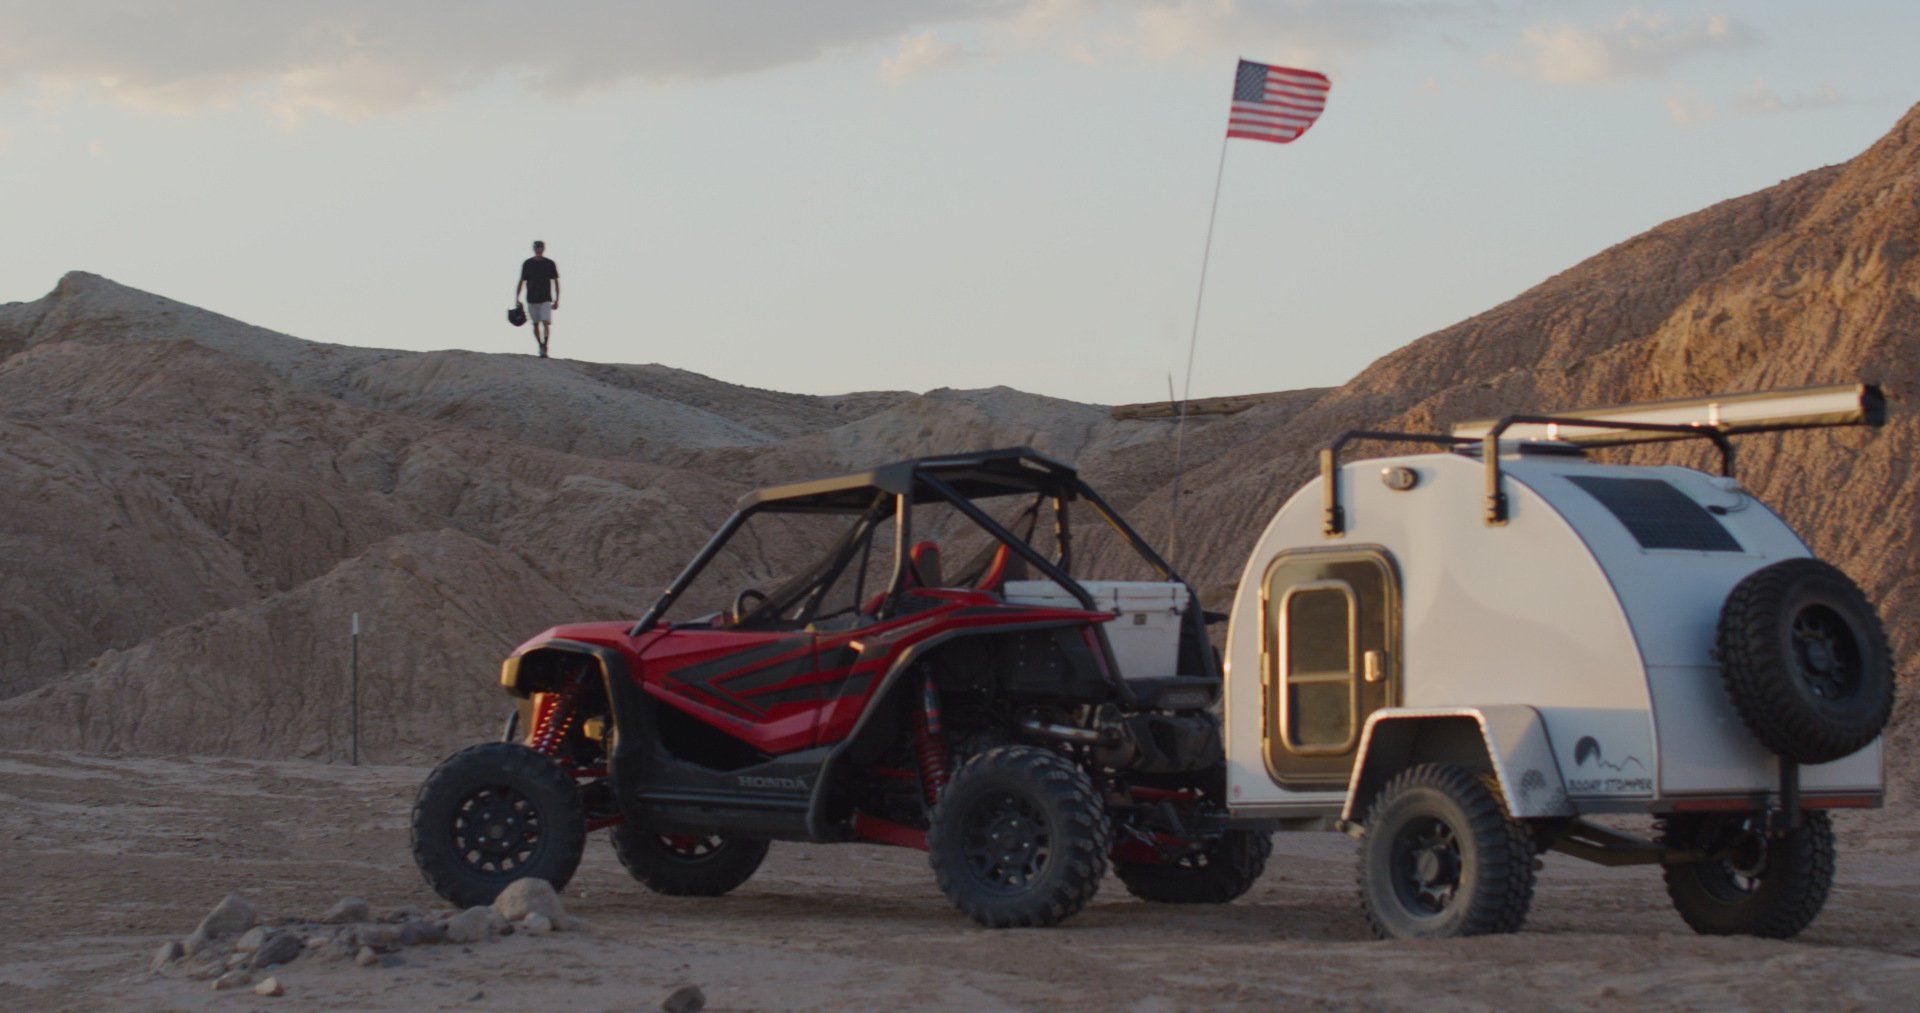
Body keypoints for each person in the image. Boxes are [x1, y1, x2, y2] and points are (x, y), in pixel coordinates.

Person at [515, 240, 560, 358]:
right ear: (534, 249)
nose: (539, 249)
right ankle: (540, 345)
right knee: (535, 324)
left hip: (545, 298)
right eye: (537, 247)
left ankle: (545, 345)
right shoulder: (527, 264)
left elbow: (555, 281)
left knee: (545, 322)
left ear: (543, 249)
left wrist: (557, 299)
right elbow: (522, 281)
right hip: (531, 298)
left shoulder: (550, 263)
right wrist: (517, 297)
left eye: (540, 247)